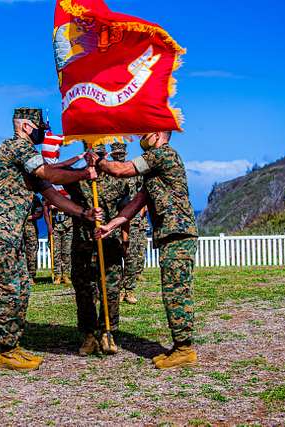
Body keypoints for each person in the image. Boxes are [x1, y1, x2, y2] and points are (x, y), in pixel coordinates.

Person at [0, 108, 102, 371]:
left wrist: (84, 213)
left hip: (11, 232)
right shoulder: (15, 147)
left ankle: (13, 345)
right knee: (7, 290)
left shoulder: (28, 160)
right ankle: (7, 352)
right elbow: (50, 174)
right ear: (26, 127)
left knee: (21, 289)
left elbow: (52, 195)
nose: (45, 131)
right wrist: (83, 174)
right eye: (41, 126)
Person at [93, 131, 199, 369]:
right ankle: (179, 346)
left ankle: (184, 349)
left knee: (176, 291)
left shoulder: (163, 155)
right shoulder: (154, 170)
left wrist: (97, 161)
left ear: (159, 134)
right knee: (171, 290)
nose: (141, 136)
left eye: (145, 133)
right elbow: (136, 204)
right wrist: (111, 225)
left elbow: (120, 170)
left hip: (178, 233)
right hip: (171, 235)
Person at [64, 144, 131, 356]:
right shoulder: (76, 179)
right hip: (83, 244)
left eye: (100, 155)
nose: (96, 159)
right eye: (92, 155)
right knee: (84, 291)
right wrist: (79, 166)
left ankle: (107, 332)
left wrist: (125, 239)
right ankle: (89, 334)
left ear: (106, 155)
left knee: (110, 290)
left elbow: (125, 211)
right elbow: (51, 178)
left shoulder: (119, 181)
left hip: (109, 244)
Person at [110, 142, 148, 304]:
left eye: (121, 155)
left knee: (131, 255)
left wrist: (141, 211)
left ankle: (129, 290)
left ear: (125, 155)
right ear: (112, 155)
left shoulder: (134, 172)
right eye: (116, 155)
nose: (119, 157)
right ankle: (117, 290)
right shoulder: (108, 173)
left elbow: (144, 190)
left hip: (133, 219)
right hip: (114, 219)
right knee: (114, 256)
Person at [50, 207, 73, 285]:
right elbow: (46, 209)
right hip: (54, 227)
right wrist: (48, 225)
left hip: (67, 227)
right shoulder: (51, 195)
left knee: (66, 252)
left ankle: (65, 275)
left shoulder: (69, 195)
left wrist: (58, 205)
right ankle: (58, 275)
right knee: (56, 252)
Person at [23, 195, 43, 282]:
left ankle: (31, 276)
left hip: (30, 227)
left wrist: (31, 217)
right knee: (17, 252)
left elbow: (39, 212)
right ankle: (21, 276)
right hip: (16, 227)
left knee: (32, 252)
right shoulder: (12, 195)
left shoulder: (34, 197)